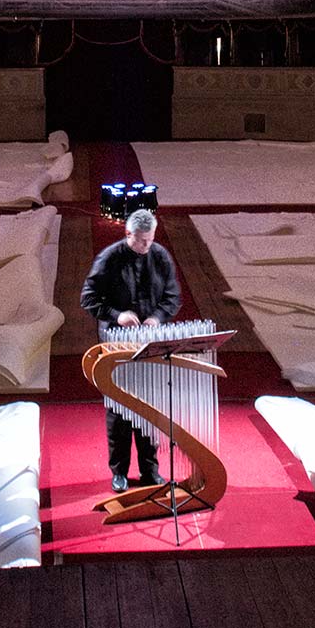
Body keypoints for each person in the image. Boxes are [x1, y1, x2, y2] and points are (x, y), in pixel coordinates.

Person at [79, 208, 181, 492]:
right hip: (117, 342)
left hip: (149, 341)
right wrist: (117, 314)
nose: (146, 246)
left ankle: (150, 471)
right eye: (141, 241)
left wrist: (157, 318)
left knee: (149, 407)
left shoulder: (160, 256)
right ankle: (119, 472)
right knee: (119, 410)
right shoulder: (109, 258)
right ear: (128, 235)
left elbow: (173, 297)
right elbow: (88, 299)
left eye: (150, 240)